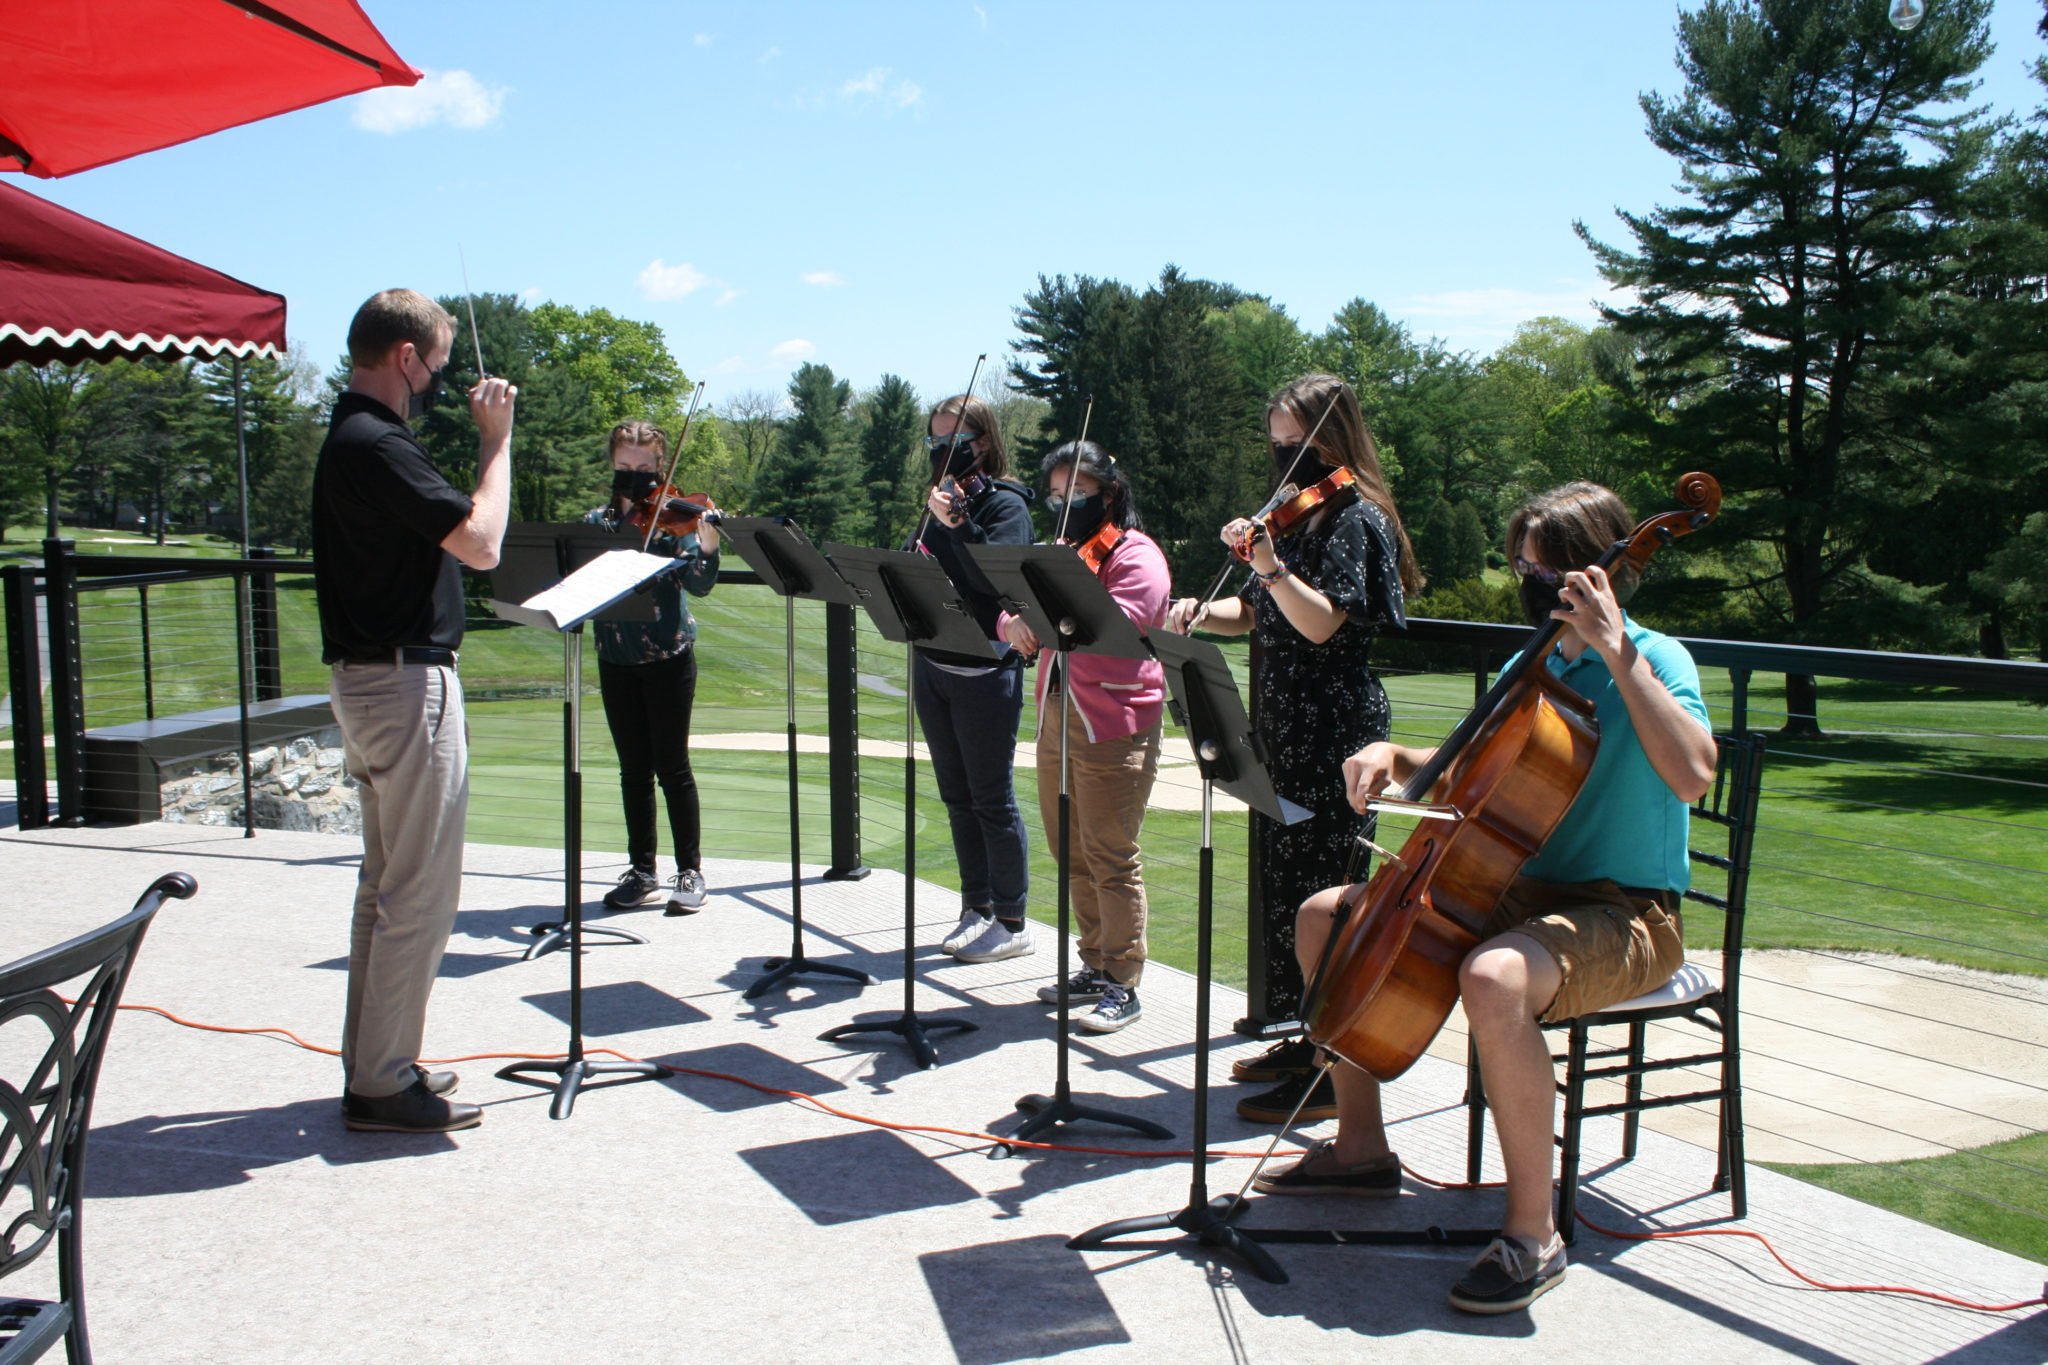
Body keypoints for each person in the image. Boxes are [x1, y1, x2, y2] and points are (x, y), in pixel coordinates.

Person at [1252, 481, 1719, 1316]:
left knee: (1496, 977)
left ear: (1603, 571)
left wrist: (1619, 654)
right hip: (1526, 891)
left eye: (1553, 569)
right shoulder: (1530, 661)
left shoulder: (1656, 658)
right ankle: (1360, 1146)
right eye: (1525, 567)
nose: (1537, 583)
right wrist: (1398, 755)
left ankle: (1533, 1232)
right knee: (1327, 915)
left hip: (1631, 912)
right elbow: (1484, 766)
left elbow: (1692, 772)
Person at [1165, 373, 1420, 1123]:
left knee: (1326, 898)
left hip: (1335, 734)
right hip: (1280, 729)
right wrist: (1201, 611)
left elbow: (1320, 623)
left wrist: (1269, 563)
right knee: (1285, 897)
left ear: (1334, 441)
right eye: (1276, 445)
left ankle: (1327, 1067)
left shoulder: (1356, 520)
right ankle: (1301, 1035)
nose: (1285, 460)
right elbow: (1256, 614)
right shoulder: (1297, 519)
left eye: (1296, 444)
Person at [313, 288, 515, 1135]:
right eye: (435, 359)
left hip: (366, 682)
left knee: (383, 888)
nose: (439, 374)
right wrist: (496, 446)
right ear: (406, 357)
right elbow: (482, 541)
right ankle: (384, 1080)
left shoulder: (352, 437)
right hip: (405, 683)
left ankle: (375, 1064)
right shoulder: (378, 443)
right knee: (421, 892)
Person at [997, 441, 1169, 1032]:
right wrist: (1012, 620)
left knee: (1110, 854)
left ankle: (1124, 980)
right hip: (1056, 714)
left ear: (1110, 493)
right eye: (1056, 492)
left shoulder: (1136, 553)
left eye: (1079, 492)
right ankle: (1094, 963)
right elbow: (1008, 604)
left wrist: (1048, 614)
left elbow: (1119, 625)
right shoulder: (1058, 552)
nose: (1064, 502)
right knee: (1069, 849)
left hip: (1114, 723)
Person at [912, 394, 1037, 963]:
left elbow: (996, 580)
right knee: (956, 796)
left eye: (954, 442)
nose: (944, 452)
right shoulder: (940, 501)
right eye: (936, 442)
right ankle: (976, 906)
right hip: (935, 662)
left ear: (982, 443)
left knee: (991, 798)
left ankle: (1011, 919)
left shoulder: (1006, 503)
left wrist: (957, 525)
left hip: (987, 671)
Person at [586, 421, 721, 916]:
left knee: (673, 768)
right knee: (632, 771)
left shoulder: (672, 524)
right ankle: (642, 871)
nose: (634, 477)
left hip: (668, 656)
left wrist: (706, 543)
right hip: (614, 656)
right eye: (625, 467)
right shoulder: (597, 524)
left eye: (644, 469)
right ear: (612, 465)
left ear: (661, 469)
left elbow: (701, 584)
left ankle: (690, 870)